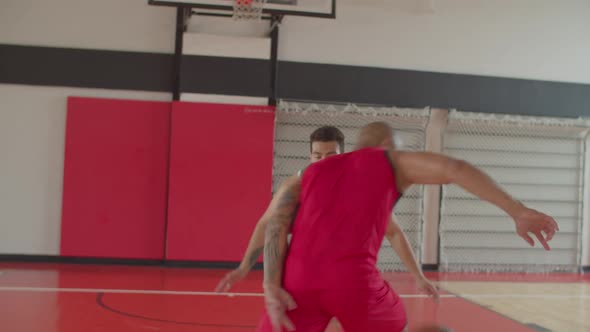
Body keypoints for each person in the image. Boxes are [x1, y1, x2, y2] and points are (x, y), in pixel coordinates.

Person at [259, 122, 558, 332]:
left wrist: (270, 284)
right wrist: (517, 211)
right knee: (391, 319)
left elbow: (275, 224)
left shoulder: (308, 173)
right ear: (388, 145)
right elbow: (456, 169)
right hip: (353, 281)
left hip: (297, 281)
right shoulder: (390, 160)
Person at [216, 125, 437, 302]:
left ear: (343, 154)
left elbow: (394, 232)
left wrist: (418, 276)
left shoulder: (360, 187)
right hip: (304, 277)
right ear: (310, 156)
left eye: (331, 155)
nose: (323, 162)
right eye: (317, 155)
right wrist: (244, 267)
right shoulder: (296, 186)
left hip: (346, 277)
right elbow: (266, 224)